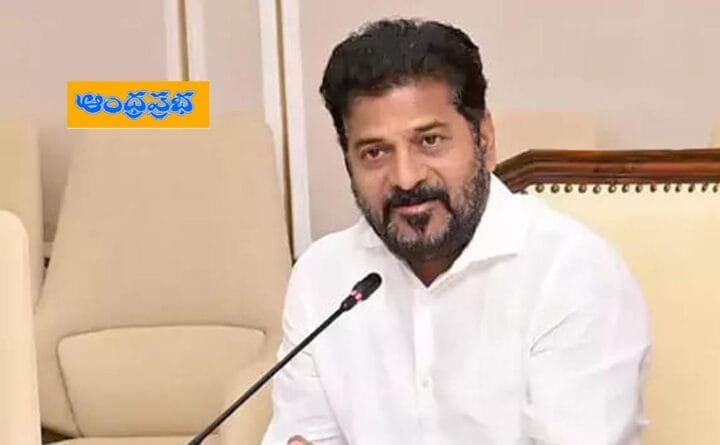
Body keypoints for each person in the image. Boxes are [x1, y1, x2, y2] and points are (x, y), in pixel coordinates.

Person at [262, 18, 650, 445]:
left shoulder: (573, 273)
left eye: (429, 141)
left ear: (484, 140)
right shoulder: (323, 278)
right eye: (375, 152)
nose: (406, 178)